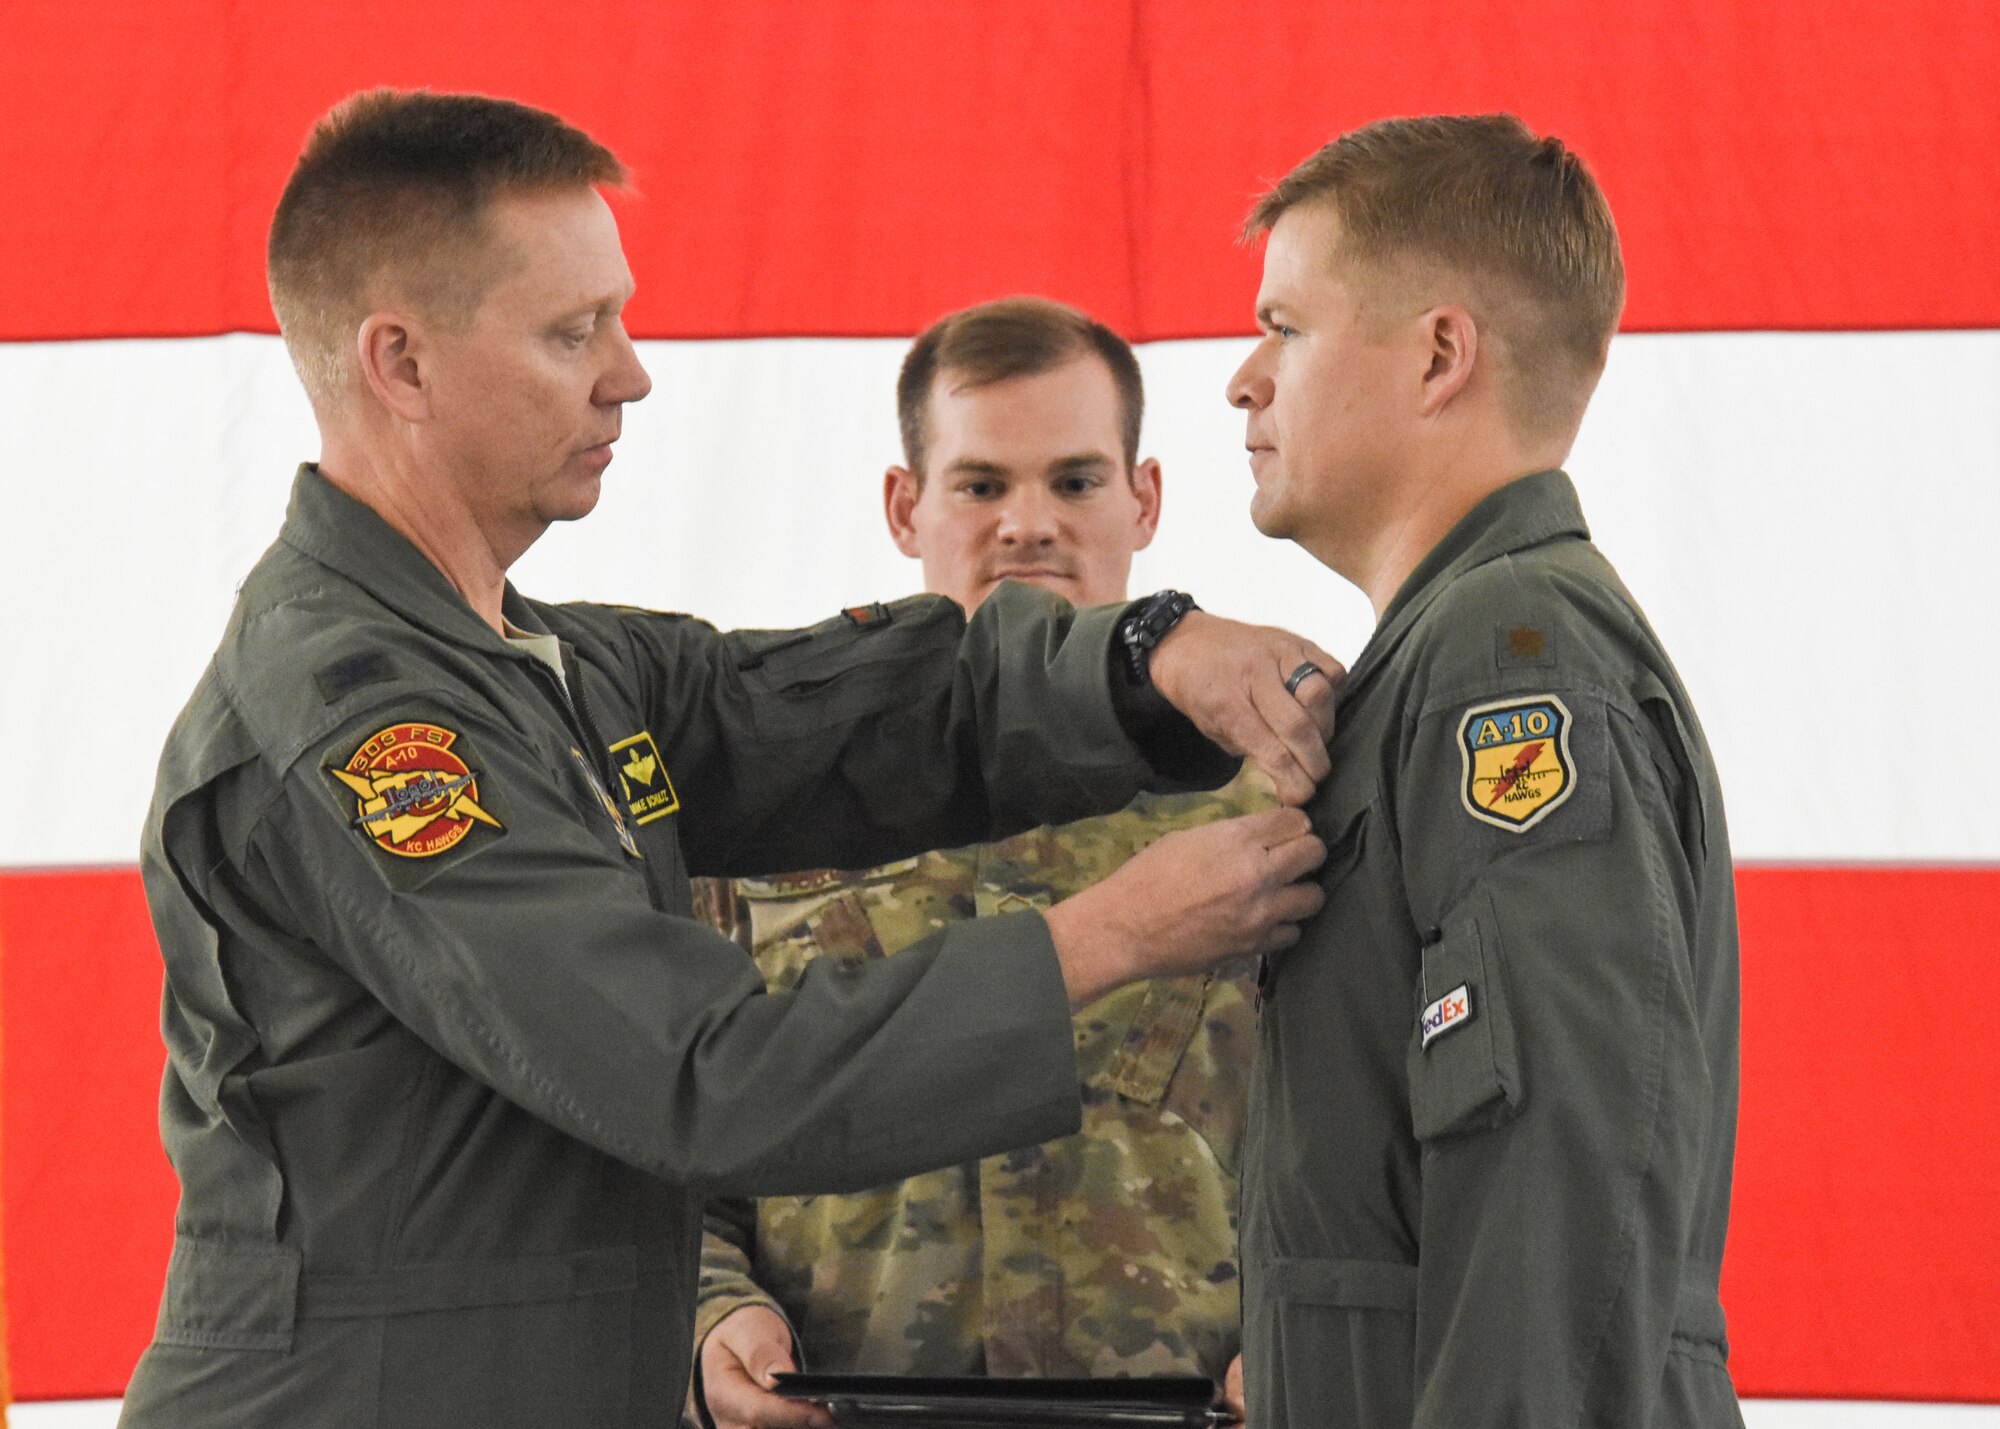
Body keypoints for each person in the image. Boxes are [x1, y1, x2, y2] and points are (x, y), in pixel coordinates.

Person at [119, 91, 1345, 1429]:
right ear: (401, 366)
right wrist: (1105, 938)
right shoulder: (368, 730)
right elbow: (701, 1074)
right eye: (572, 329)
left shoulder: (544, 669)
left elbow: (852, 714)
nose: (628, 371)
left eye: (619, 318)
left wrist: (1143, 658)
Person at [1224, 115, 1745, 1427]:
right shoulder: (1454, 658)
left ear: (1441, 354)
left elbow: (1563, 1185)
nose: (1244, 377)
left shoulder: (1509, 664)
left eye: (1285, 327)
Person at [689, 298, 1271, 1429]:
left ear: (1142, 498)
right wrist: (712, 1313)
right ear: (904, 506)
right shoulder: (761, 805)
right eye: (980, 484)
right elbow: (672, 1133)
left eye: (1074, 480)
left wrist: (1306, 1338)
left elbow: (1361, 1140)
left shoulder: (1266, 798)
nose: (1028, 523)